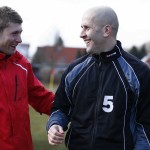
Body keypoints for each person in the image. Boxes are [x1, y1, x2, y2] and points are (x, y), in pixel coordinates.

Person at [46, 6, 150, 150]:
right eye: (81, 27)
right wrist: (55, 124)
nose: (81, 34)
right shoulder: (74, 70)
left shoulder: (140, 72)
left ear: (106, 30)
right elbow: (60, 109)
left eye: (86, 28)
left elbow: (146, 124)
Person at [0, 6, 55, 150]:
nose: (19, 39)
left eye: (20, 33)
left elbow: (41, 98)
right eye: (14, 33)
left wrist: (76, 107)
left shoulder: (22, 64)